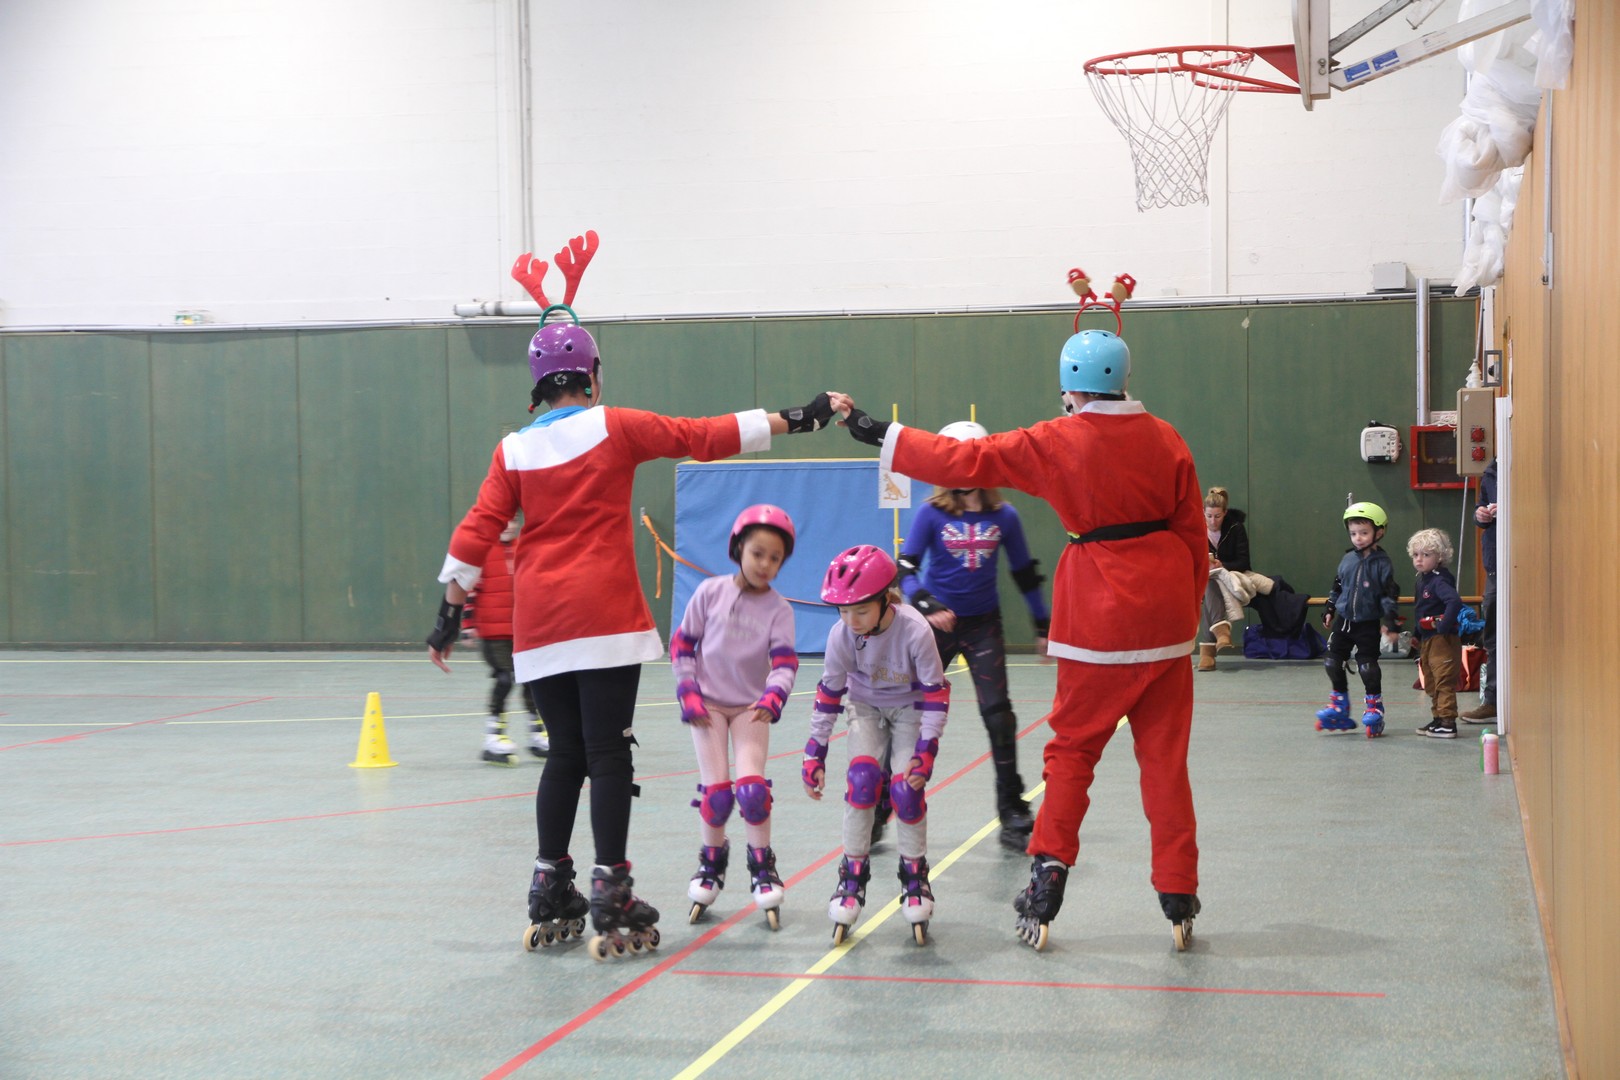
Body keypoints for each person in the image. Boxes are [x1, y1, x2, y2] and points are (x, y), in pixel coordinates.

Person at [425, 309, 838, 960]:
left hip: (540, 622)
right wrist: (799, 418)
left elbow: (478, 528)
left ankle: (550, 883)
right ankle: (611, 890)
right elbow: (703, 435)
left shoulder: (513, 450)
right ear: (591, 375)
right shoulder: (614, 425)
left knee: (564, 755)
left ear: (538, 384)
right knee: (609, 754)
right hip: (603, 617)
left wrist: (449, 613)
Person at [832, 325, 1208, 953]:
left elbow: (962, 460)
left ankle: (1047, 879)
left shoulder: (1059, 439)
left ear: (1070, 387)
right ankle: (1178, 892)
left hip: (1097, 618)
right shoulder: (1168, 438)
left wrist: (879, 432)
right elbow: (1193, 533)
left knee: (1072, 753)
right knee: (1166, 764)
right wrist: (1184, 611)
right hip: (1166, 624)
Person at [897, 420, 1049, 850]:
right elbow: (905, 568)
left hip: (983, 625)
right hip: (936, 627)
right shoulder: (931, 513)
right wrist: (926, 604)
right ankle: (883, 804)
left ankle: (1012, 809)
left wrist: (1042, 624)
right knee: (908, 715)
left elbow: (1024, 572)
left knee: (999, 715)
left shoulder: (1004, 516)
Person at [802, 544, 950, 946]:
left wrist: (927, 749)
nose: (851, 621)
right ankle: (851, 876)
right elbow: (829, 695)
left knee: (906, 789)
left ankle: (915, 875)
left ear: (886, 600)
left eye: (861, 611)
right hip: (865, 707)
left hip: (909, 709)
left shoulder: (915, 630)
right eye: (843, 611)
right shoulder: (841, 636)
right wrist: (815, 751)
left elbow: (935, 694)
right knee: (862, 782)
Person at [672, 505, 799, 930]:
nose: (765, 564)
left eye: (775, 558)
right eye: (758, 553)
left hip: (749, 708)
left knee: (752, 792)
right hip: (707, 705)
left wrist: (774, 694)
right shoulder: (710, 592)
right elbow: (682, 646)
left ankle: (763, 866)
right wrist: (688, 691)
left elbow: (784, 663)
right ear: (738, 549)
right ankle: (711, 863)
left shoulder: (779, 609)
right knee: (717, 795)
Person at [465, 516, 549, 766]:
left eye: (512, 522)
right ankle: (493, 737)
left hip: (521, 632)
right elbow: (470, 590)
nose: (508, 526)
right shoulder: (483, 552)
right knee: (504, 679)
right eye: (504, 522)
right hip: (492, 633)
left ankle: (538, 735)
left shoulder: (523, 548)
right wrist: (468, 626)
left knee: (532, 681)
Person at [1314, 502, 1401, 738]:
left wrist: (1391, 623)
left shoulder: (1382, 563)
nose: (1358, 538)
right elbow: (1338, 585)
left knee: (1367, 666)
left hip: (1367, 623)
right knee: (1332, 661)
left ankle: (1375, 707)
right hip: (1344, 621)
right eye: (1353, 533)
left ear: (1378, 533)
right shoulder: (1348, 559)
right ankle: (1339, 704)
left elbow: (1388, 595)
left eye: (1364, 532)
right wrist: (1330, 608)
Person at [1408, 528, 1464, 739]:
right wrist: (1416, 633)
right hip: (1428, 638)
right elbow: (1420, 610)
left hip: (1442, 639)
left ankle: (1448, 721)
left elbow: (1454, 601)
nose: (1419, 559)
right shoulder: (1423, 579)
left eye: (1426, 555)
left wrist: (1443, 626)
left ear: (1439, 557)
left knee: (1443, 679)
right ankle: (1438, 718)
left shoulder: (1439, 580)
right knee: (1431, 680)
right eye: (1416, 555)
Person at [1196, 487, 1250, 671]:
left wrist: (1222, 565)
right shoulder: (1196, 530)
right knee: (1210, 581)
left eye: (1218, 516)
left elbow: (1244, 562)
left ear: (1225, 513)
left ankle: (1207, 653)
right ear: (1203, 512)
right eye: (1209, 516)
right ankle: (1221, 632)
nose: (1213, 521)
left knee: (1211, 583)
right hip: (1204, 578)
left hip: (1233, 575)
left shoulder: (1235, 527)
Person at [1461, 459, 1498, 723]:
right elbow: (1480, 506)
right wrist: (1480, 515)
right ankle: (1492, 702)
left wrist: (1510, 509)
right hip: (1495, 565)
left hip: (1527, 564)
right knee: (1493, 636)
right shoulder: (1491, 472)